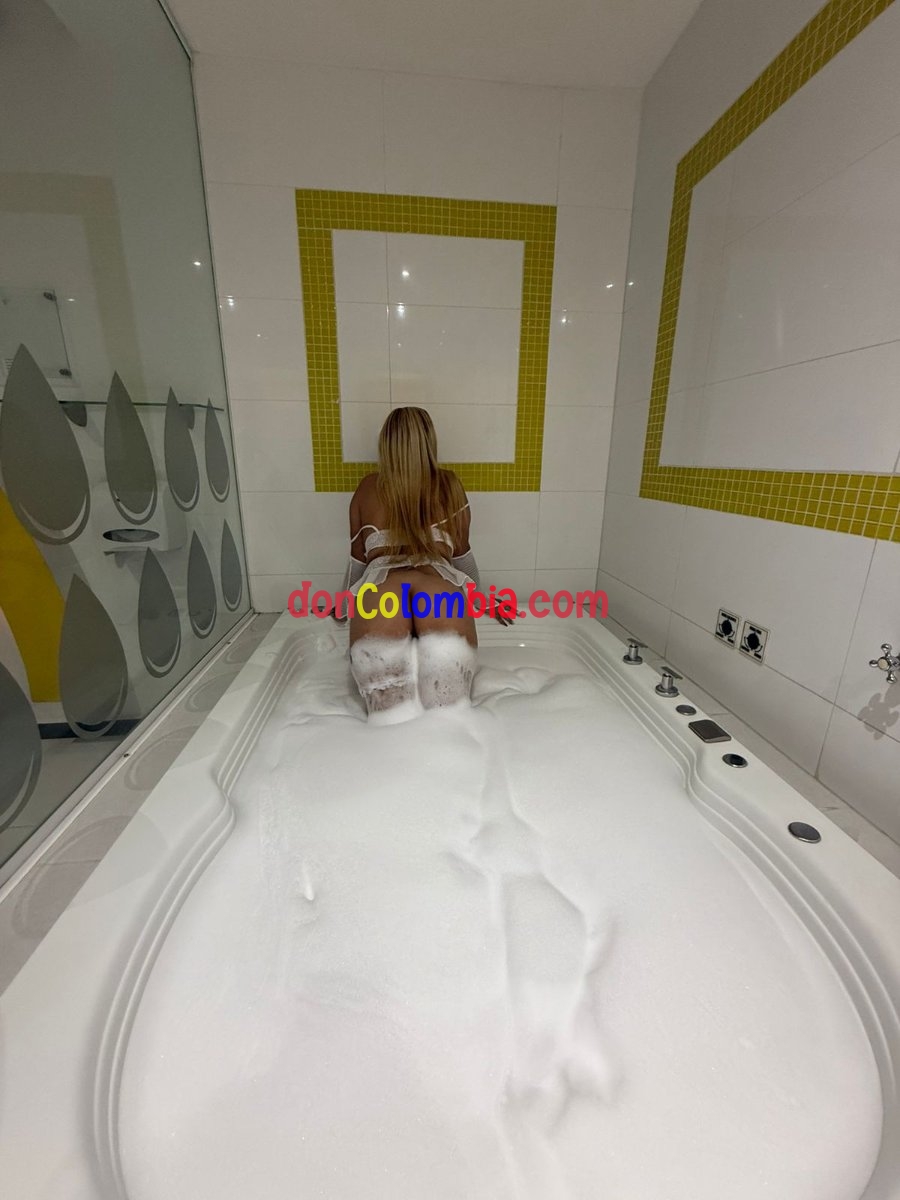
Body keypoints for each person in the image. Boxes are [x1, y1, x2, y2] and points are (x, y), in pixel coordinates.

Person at [336, 407, 506, 723]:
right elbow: (462, 557)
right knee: (449, 718)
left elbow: (357, 561)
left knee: (388, 721)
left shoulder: (367, 489)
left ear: (385, 444)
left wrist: (343, 606)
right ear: (429, 442)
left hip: (381, 594)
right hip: (439, 590)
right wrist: (481, 601)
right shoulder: (450, 485)